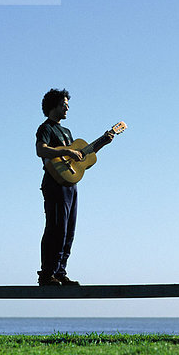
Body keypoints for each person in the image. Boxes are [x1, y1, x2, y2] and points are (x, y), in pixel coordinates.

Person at [35, 88, 113, 286]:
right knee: (56, 227)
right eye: (64, 105)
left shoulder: (68, 132)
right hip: (54, 183)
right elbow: (40, 150)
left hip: (71, 185)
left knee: (69, 229)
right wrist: (68, 150)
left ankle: (60, 272)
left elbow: (82, 157)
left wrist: (103, 141)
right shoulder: (46, 128)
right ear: (53, 106)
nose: (67, 109)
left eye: (68, 106)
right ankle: (47, 273)